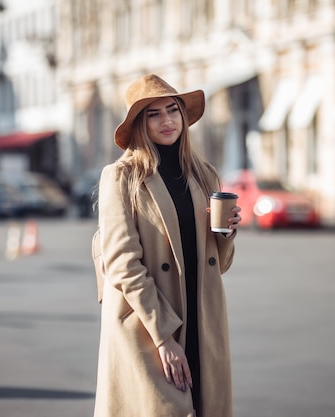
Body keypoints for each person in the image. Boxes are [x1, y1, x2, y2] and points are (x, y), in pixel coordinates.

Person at [93, 74, 241, 417]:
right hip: (149, 323)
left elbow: (219, 262)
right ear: (140, 125)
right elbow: (123, 264)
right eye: (154, 114)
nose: (167, 120)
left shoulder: (204, 174)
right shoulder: (121, 177)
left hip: (202, 322)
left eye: (172, 110)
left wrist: (227, 234)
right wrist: (163, 337)